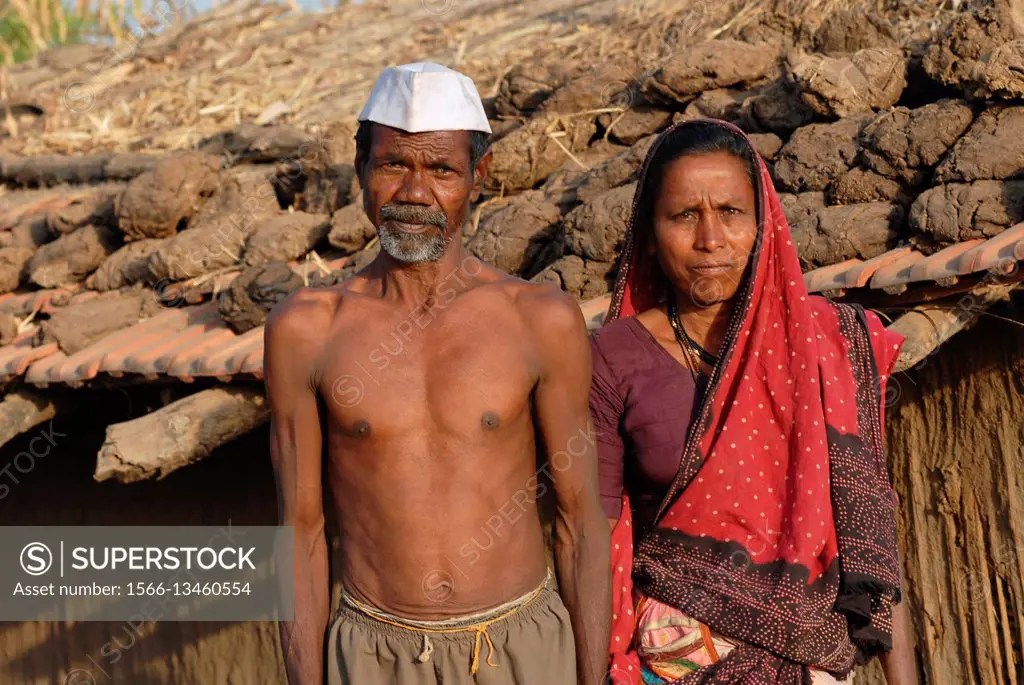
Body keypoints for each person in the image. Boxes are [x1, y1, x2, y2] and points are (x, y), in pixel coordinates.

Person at [264, 62, 611, 685]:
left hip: (523, 650)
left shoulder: (539, 320)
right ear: (361, 168)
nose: (414, 194)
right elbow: (300, 532)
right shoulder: (307, 330)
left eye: (442, 170)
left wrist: (592, 678)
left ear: (478, 177)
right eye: (394, 164)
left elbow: (581, 520)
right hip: (372, 654)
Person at [589, 119, 919, 684]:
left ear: (765, 227)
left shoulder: (823, 342)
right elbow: (595, 540)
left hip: (814, 661)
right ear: (648, 232)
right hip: (676, 664)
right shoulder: (614, 356)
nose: (710, 239)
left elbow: (869, 534)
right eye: (684, 216)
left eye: (732, 213)